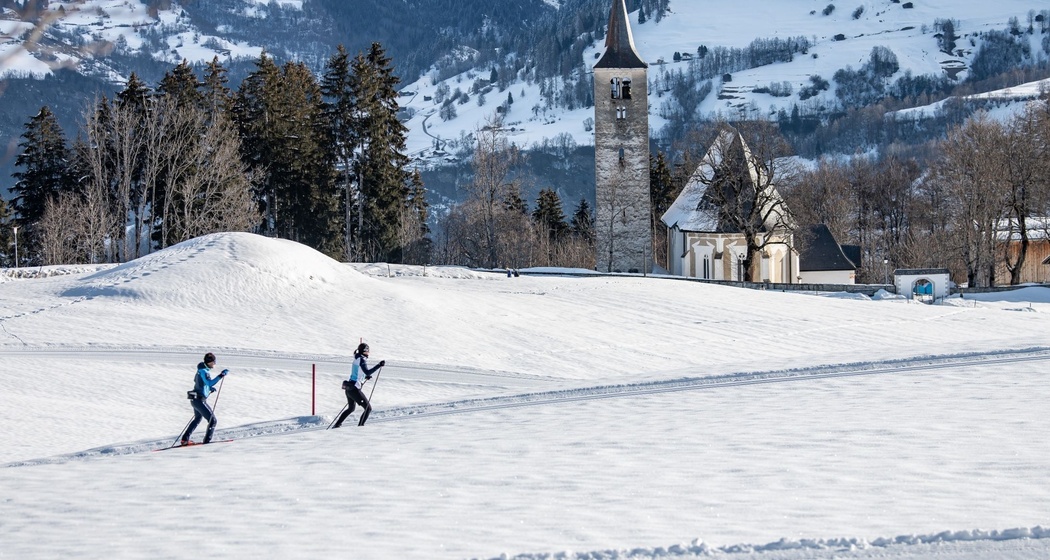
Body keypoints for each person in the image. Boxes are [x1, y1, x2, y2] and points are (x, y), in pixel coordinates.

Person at [179, 352, 228, 445]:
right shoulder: (204, 371)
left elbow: (199, 382)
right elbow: (209, 382)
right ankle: (207, 442)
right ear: (209, 362)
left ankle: (184, 439)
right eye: (214, 361)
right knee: (213, 420)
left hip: (195, 399)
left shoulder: (201, 370)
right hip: (199, 400)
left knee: (197, 419)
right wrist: (221, 375)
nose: (215, 363)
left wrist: (208, 388)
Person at [333, 343, 385, 428]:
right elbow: (367, 371)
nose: (369, 352)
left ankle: (337, 425)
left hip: (349, 388)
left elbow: (358, 372)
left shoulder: (357, 358)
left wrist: (365, 377)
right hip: (354, 389)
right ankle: (360, 428)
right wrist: (379, 365)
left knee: (351, 409)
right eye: (368, 351)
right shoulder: (362, 360)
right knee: (368, 409)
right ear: (365, 351)